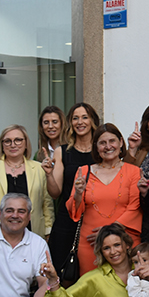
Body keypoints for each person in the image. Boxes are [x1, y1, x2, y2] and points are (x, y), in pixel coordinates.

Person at [68, 123, 142, 277]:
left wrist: (107, 233)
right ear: (96, 147)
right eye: (102, 143)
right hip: (91, 244)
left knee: (126, 286)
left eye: (112, 141)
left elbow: (135, 207)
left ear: (120, 142)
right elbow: (74, 210)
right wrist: (78, 194)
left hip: (124, 241)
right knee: (92, 286)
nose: (108, 146)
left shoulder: (134, 171)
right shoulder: (84, 171)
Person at [42, 103, 100, 275]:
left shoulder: (101, 151)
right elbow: (55, 192)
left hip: (93, 218)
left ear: (92, 121)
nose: (79, 122)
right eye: (75, 118)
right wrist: (49, 175)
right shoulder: (62, 151)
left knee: (91, 271)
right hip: (67, 220)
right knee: (62, 270)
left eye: (84, 117)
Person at [0, 125, 54, 239]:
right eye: (7, 141)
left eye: (18, 140)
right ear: (2, 145)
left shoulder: (39, 168)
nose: (13, 145)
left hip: (31, 233)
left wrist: (48, 231)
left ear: (26, 143)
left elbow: (47, 205)